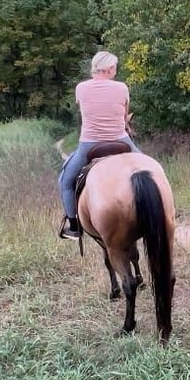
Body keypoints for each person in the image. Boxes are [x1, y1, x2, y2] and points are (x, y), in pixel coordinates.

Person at [58, 51, 142, 240]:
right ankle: (164, 208)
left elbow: (85, 111)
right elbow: (123, 117)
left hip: (89, 144)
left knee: (66, 182)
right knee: (152, 169)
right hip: (121, 140)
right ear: (110, 69)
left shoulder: (81, 88)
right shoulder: (122, 88)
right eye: (115, 68)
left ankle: (74, 227)